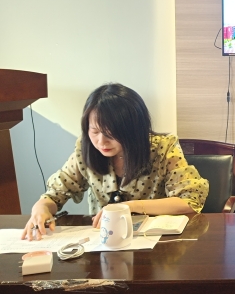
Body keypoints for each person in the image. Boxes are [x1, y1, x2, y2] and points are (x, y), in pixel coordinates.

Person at [22, 83, 209, 241]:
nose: (101, 142)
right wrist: (41, 207)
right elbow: (56, 193)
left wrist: (130, 207)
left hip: (154, 243)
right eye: (95, 131)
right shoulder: (84, 149)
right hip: (104, 243)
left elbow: (189, 201)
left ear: (133, 130)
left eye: (111, 134)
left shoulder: (163, 148)